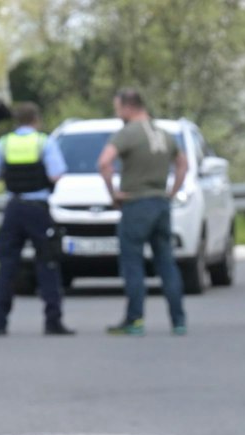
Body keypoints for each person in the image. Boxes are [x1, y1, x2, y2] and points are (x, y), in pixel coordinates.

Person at [97, 87, 188, 336]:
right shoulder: (164, 134)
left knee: (132, 263)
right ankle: (178, 320)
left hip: (135, 204)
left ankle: (135, 320)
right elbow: (183, 164)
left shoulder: (127, 134)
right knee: (166, 263)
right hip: (161, 204)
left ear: (128, 107)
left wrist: (113, 193)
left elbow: (104, 162)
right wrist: (171, 191)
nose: (118, 114)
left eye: (118, 108)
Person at [0, 102, 73, 336]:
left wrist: (8, 173)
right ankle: (53, 320)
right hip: (38, 209)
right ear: (36, 120)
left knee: (7, 263)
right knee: (48, 262)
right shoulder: (44, 142)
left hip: (13, 208)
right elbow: (56, 173)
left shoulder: (4, 143)